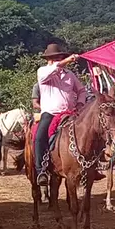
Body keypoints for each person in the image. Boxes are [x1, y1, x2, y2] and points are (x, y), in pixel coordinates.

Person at [35, 43, 88, 186]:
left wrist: (80, 103)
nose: (57, 60)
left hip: (70, 113)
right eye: (54, 58)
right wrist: (67, 61)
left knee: (88, 132)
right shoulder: (42, 71)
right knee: (39, 137)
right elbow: (53, 70)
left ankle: (91, 166)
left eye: (59, 57)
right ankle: (41, 170)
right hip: (50, 113)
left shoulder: (70, 75)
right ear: (49, 60)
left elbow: (82, 90)